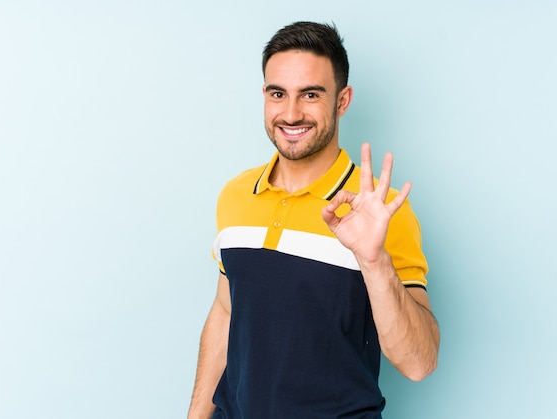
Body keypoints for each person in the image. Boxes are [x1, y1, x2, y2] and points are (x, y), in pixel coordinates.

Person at [188, 21, 440, 419]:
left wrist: (374, 261)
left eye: (310, 94)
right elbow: (225, 312)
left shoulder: (380, 208)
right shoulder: (235, 196)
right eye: (278, 94)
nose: (290, 113)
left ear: (342, 101)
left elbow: (419, 363)